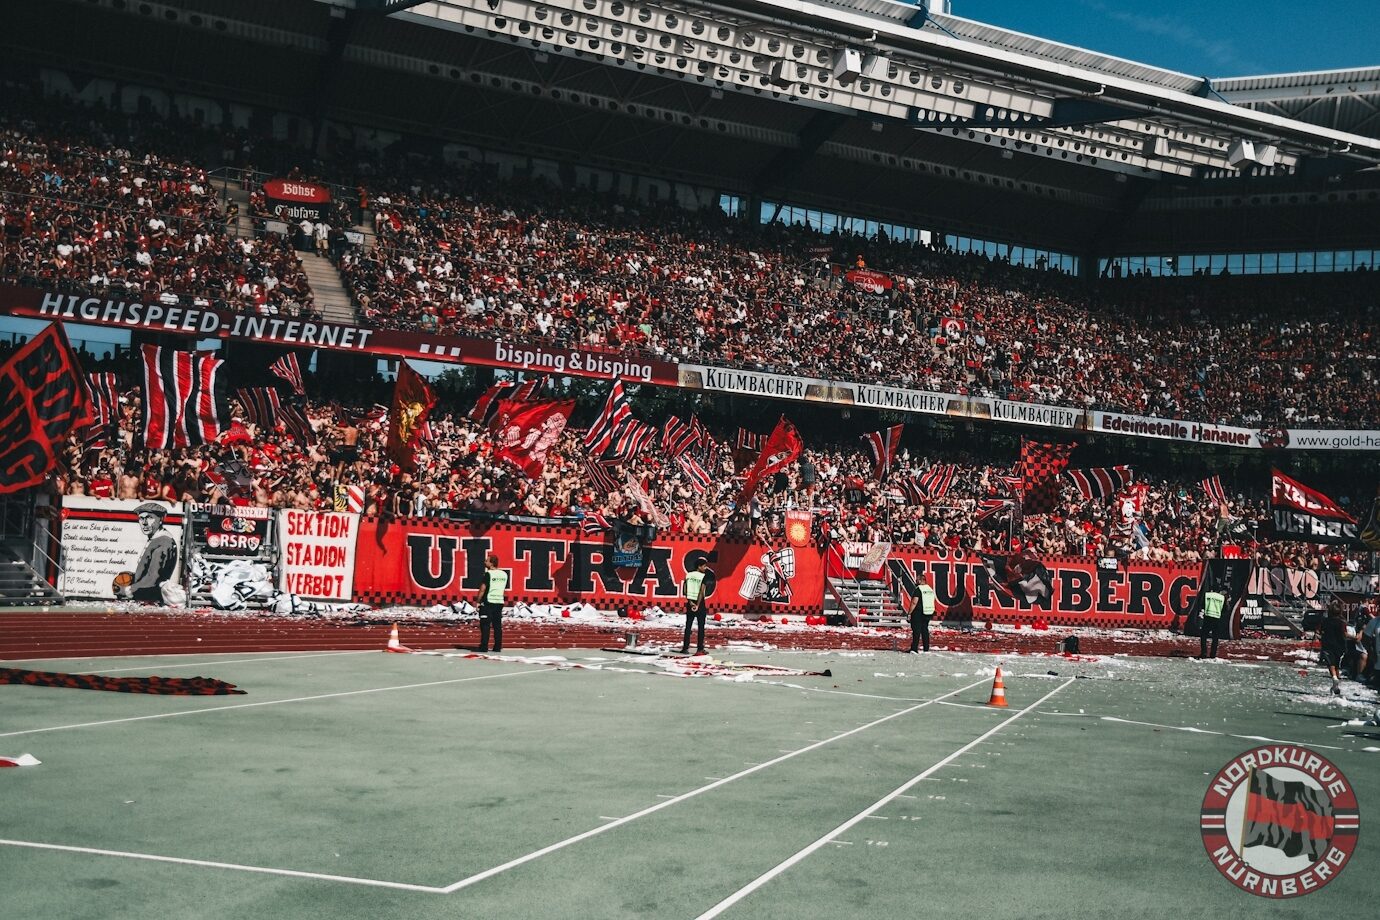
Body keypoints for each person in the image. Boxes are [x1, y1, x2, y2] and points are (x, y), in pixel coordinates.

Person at [117, 502, 178, 603]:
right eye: (141, 518)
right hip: (147, 597)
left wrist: (128, 590)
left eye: (149, 518)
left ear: (161, 519)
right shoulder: (156, 539)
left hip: (151, 599)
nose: (144, 523)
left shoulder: (163, 542)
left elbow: (152, 578)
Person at [474, 552, 507, 653]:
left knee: (485, 625)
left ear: (491, 563)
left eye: (486, 561)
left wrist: (478, 601)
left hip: (488, 602)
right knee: (497, 625)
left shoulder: (488, 574)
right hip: (499, 602)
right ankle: (497, 647)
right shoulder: (504, 574)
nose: (484, 562)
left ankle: (484, 646)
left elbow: (482, 589)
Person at [681, 558, 713, 655]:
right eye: (704, 566)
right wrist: (698, 605)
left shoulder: (688, 575)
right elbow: (701, 591)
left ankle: (685, 648)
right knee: (701, 627)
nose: (705, 568)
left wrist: (691, 603)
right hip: (700, 603)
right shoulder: (703, 576)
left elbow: (685, 590)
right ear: (699, 567)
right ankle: (700, 648)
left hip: (690, 602)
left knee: (688, 626)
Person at [1318, 603, 1350, 697]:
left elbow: (1318, 631)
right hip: (1340, 646)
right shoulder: (1342, 622)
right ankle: (1336, 686)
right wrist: (1354, 637)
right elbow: (1345, 634)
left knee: (1330, 663)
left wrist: (1320, 636)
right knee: (1336, 664)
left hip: (1328, 644)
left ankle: (1334, 678)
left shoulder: (1324, 621)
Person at [907, 575, 937, 653]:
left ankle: (914, 649)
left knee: (916, 631)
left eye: (917, 580)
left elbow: (914, 602)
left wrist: (909, 613)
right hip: (928, 612)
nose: (916, 582)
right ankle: (926, 648)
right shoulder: (930, 589)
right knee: (925, 630)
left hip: (918, 612)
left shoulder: (918, 589)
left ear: (920, 580)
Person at [1198, 587, 1225, 659]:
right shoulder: (1222, 597)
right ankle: (1213, 654)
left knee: (1204, 636)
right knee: (1215, 637)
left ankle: (1204, 653)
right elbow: (1224, 609)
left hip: (1208, 617)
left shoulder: (1207, 595)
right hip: (1217, 618)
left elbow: (1202, 605)